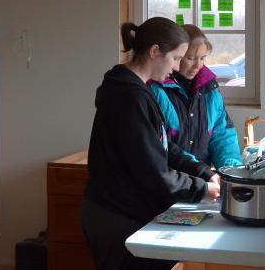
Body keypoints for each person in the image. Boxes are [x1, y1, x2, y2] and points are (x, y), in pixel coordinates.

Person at [80, 17, 220, 270]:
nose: (177, 67)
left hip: (125, 209)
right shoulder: (129, 97)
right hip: (115, 214)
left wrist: (204, 172)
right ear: (155, 51)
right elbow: (153, 171)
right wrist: (200, 189)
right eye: (176, 58)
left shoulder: (139, 90)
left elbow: (164, 146)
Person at [149, 24, 242, 170]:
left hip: (202, 181)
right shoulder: (156, 89)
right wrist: (199, 171)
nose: (198, 65)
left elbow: (222, 134)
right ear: (177, 56)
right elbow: (160, 144)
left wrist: (230, 169)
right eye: (191, 58)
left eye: (203, 58)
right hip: (170, 182)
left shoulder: (210, 89)